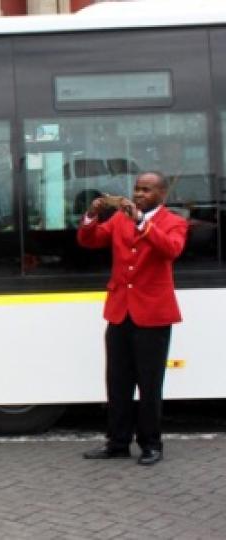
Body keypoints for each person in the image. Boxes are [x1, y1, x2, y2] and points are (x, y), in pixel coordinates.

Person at [78, 171, 187, 466]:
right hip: (120, 310)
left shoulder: (174, 222)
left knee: (149, 384)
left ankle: (151, 444)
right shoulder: (118, 219)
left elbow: (171, 249)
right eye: (137, 189)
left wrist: (142, 221)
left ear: (162, 195)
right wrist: (91, 215)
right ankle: (117, 443)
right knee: (117, 382)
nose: (139, 194)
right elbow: (90, 241)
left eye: (147, 190)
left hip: (153, 314)